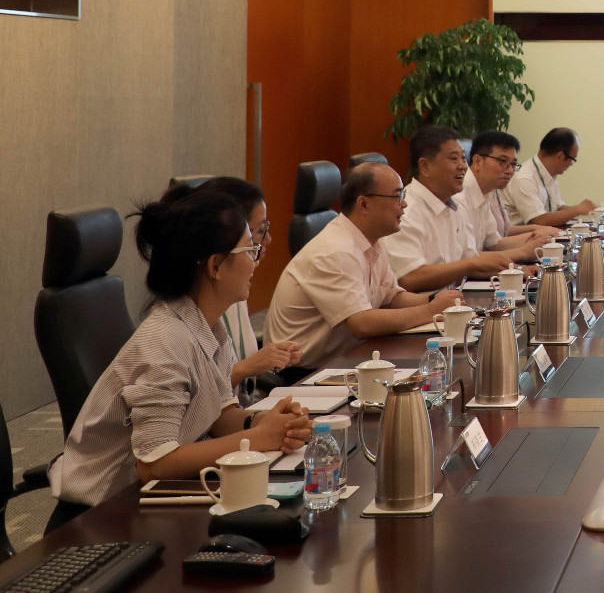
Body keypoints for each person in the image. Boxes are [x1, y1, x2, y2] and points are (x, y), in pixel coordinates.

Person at [48, 191, 312, 525]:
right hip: (99, 518)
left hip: (153, 500)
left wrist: (264, 423)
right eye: (250, 249)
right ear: (215, 266)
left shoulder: (209, 325)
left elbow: (219, 414)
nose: (256, 260)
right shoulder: (165, 342)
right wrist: (257, 439)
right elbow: (155, 463)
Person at [266, 162, 464, 363]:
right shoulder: (337, 251)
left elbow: (392, 298)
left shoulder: (371, 240)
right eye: (397, 197)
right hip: (304, 373)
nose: (404, 204)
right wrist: (430, 311)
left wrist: (436, 301)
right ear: (364, 204)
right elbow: (361, 323)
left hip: (350, 359)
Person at [160, 177, 302, 393]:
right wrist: (249, 366)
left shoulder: (229, 296)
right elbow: (200, 398)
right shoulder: (176, 334)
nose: (267, 241)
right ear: (216, 263)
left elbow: (222, 404)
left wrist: (270, 358)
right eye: (255, 236)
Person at [384, 125, 515, 292]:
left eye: (463, 158)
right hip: (421, 306)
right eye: (454, 159)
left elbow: (473, 263)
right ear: (425, 166)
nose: (463, 166)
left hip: (453, 302)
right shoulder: (405, 212)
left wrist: (516, 271)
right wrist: (470, 264)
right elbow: (409, 278)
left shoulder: (455, 206)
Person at [459, 130, 561, 256]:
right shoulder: (460, 195)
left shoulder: (485, 192)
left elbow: (494, 244)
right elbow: (467, 257)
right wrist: (523, 252)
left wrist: (538, 244)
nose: (509, 171)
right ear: (477, 161)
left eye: (513, 164)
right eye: (502, 162)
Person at [502, 127, 596, 227]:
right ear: (560, 156)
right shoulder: (525, 178)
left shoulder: (549, 173)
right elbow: (539, 220)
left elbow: (558, 208)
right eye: (573, 159)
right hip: (521, 235)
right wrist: (577, 209)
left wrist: (588, 211)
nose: (571, 164)